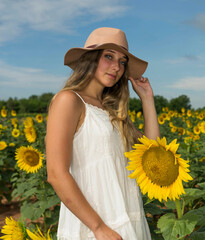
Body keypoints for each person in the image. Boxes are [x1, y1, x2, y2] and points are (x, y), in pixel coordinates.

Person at [46, 27, 160, 240]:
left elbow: (153, 153)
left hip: (125, 215)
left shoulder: (112, 110)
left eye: (122, 62)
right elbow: (55, 173)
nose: (117, 67)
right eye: (108, 56)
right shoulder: (69, 101)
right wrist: (98, 227)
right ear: (90, 58)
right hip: (93, 223)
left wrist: (147, 99)